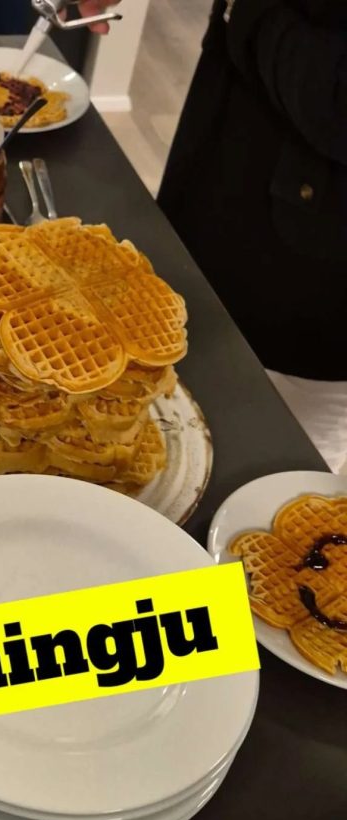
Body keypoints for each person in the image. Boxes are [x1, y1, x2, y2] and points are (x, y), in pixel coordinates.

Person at [158, 0, 347, 473]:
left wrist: (246, 10)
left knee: (279, 478)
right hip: (216, 203)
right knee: (163, 445)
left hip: (309, 297)